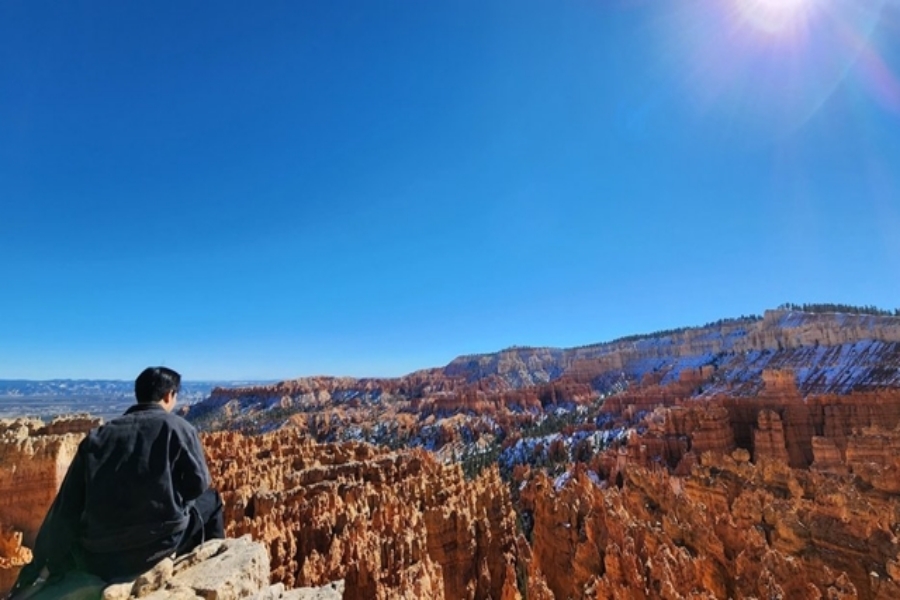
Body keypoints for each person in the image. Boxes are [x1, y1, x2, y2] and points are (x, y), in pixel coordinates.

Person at [9, 367, 224, 596]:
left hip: (101, 557)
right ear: (169, 395)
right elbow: (198, 485)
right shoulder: (179, 428)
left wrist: (40, 566)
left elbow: (66, 508)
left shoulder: (97, 437)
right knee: (212, 500)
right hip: (159, 546)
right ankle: (215, 571)